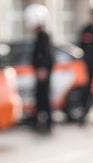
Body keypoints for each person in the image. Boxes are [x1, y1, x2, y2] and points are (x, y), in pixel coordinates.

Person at [25, 4, 54, 132]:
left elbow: (46, 55)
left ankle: (47, 122)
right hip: (40, 71)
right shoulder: (39, 36)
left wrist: (43, 69)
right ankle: (39, 120)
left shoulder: (43, 36)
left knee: (44, 96)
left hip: (43, 72)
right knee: (40, 96)